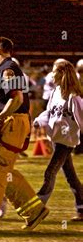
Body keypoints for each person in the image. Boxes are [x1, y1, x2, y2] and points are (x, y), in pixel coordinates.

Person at [0, 37, 49, 230]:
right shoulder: (9, 69)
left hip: (12, 123)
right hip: (14, 123)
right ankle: (34, 210)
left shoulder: (8, 70)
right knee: (3, 170)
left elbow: (16, 99)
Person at [33, 59, 83, 221]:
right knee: (71, 176)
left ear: (62, 74)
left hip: (66, 141)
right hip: (55, 138)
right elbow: (49, 112)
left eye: (54, 71)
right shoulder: (55, 92)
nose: (51, 74)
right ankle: (82, 207)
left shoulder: (74, 97)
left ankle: (37, 208)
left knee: (50, 171)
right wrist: (38, 121)